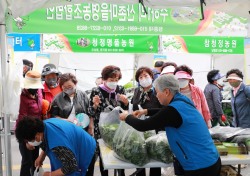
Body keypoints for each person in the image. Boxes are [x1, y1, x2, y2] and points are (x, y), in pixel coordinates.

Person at [120, 75, 221, 176]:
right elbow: (164, 113)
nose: (156, 96)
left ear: (166, 92)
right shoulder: (183, 101)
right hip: (210, 159)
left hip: (199, 167)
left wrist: (127, 117)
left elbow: (142, 125)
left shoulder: (173, 110)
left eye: (157, 92)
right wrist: (146, 111)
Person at [15, 116, 96, 176]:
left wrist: (50, 174)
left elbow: (71, 166)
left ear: (37, 135)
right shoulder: (43, 126)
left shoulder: (58, 143)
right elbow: (47, 141)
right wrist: (42, 156)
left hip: (87, 150)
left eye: (30, 140)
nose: (30, 143)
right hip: (72, 145)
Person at [50, 73, 95, 176]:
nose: (67, 89)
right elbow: (53, 116)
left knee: (84, 158)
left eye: (69, 87)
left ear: (75, 84)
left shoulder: (82, 95)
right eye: (64, 87)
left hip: (82, 132)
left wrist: (91, 128)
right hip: (66, 133)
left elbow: (90, 112)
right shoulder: (57, 98)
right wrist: (65, 120)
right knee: (70, 160)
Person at [89, 65, 129, 176]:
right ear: (104, 79)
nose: (114, 82)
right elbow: (91, 113)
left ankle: (121, 173)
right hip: (101, 129)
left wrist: (126, 103)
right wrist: (95, 106)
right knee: (103, 155)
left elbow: (125, 112)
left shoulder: (120, 89)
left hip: (118, 127)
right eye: (111, 80)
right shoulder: (96, 91)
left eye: (116, 80)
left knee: (120, 152)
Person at [131, 67, 162, 176]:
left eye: (146, 76)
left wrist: (146, 111)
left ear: (151, 77)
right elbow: (133, 107)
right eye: (141, 77)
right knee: (140, 154)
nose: (144, 79)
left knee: (155, 156)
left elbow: (163, 110)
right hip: (139, 128)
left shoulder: (158, 90)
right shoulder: (136, 91)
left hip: (155, 128)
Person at [16, 70, 44, 176]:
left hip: (37, 133)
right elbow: (21, 120)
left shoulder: (39, 92)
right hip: (25, 134)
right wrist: (26, 141)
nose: (35, 88)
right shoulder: (22, 97)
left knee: (35, 161)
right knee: (27, 162)